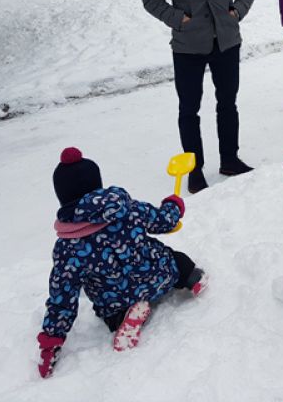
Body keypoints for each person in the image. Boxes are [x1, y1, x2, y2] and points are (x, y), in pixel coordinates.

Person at [36, 148, 207, 378]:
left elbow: (63, 297)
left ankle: (123, 317)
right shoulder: (128, 209)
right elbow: (164, 222)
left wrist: (51, 340)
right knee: (176, 260)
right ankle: (191, 277)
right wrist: (173, 205)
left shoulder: (68, 249)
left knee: (109, 311)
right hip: (159, 275)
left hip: (116, 298)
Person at [143, 0, 256, 194]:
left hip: (227, 41)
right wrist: (179, 19)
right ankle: (194, 170)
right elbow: (151, 0)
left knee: (228, 104)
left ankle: (230, 159)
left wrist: (237, 13)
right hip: (188, 45)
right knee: (189, 109)